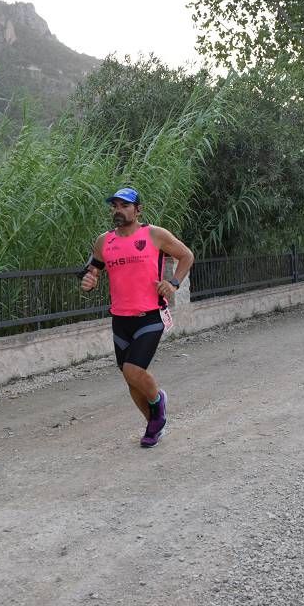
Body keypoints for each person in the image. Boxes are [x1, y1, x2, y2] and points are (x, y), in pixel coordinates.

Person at [80, 187, 194, 448]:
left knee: (134, 370)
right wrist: (89, 279)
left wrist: (173, 283)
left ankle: (158, 402)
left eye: (125, 205)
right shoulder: (104, 241)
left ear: (138, 209)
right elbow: (93, 269)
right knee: (130, 378)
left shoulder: (154, 235)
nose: (118, 210)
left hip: (149, 315)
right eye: (115, 206)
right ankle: (153, 423)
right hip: (120, 319)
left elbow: (187, 256)